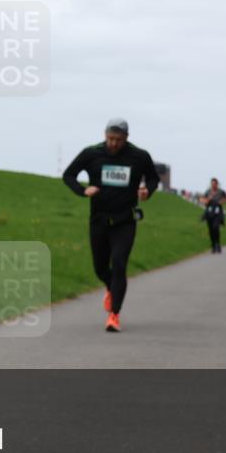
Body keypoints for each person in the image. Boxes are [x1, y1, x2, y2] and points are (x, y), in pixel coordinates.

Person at [63, 118, 160, 332]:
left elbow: (153, 178)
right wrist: (82, 190)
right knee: (100, 267)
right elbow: (68, 175)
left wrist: (147, 191)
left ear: (126, 138)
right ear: (105, 134)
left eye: (118, 139)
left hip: (125, 220)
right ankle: (110, 287)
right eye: (110, 138)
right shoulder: (92, 153)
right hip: (98, 220)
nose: (113, 143)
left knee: (118, 263)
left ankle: (114, 315)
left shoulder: (139, 156)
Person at [200, 178, 226, 253]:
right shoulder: (208, 192)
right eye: (212, 184)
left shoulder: (221, 191)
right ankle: (213, 245)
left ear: (217, 184)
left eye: (215, 184)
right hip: (209, 212)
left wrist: (221, 202)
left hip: (218, 212)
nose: (213, 185)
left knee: (215, 228)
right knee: (211, 230)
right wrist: (208, 200)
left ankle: (218, 244)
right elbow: (202, 199)